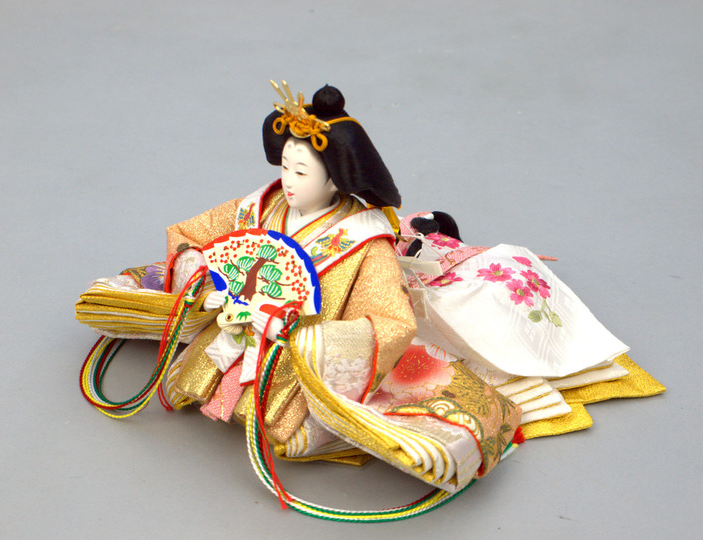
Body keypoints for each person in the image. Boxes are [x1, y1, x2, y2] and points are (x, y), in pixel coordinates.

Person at [161, 83, 521, 492]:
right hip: (228, 334)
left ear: (335, 179)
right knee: (181, 375)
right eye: (284, 166)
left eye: (301, 172)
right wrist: (202, 281)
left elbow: (392, 323)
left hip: (293, 362)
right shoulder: (263, 205)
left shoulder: (365, 241)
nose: (287, 181)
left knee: (298, 430)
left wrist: (301, 336)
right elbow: (190, 235)